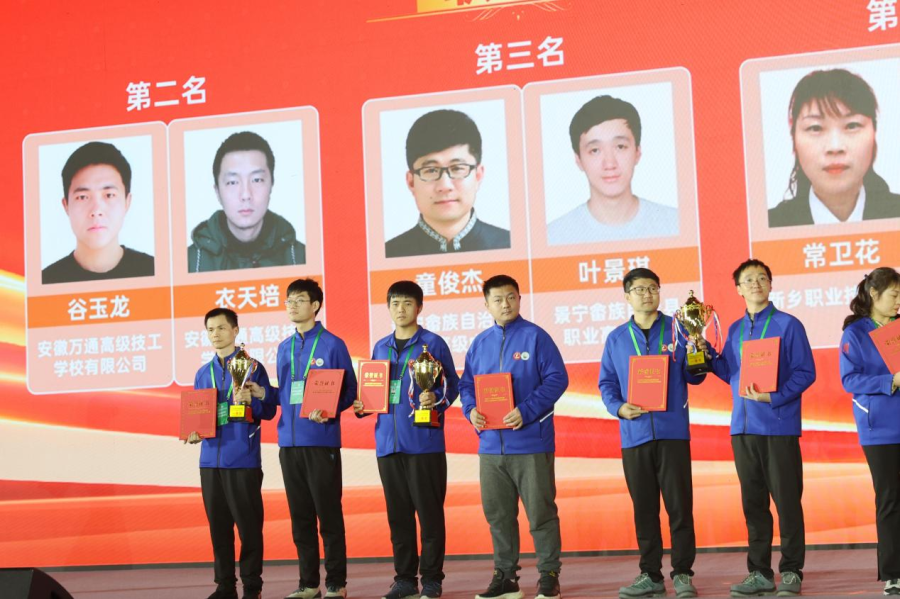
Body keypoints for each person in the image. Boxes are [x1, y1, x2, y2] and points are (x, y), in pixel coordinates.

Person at [708, 259, 816, 598]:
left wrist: (775, 397)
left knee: (787, 502)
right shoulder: (735, 329)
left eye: (761, 278)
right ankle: (759, 572)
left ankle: (792, 570)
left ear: (770, 284)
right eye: (748, 280)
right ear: (738, 289)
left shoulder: (788, 324)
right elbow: (729, 371)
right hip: (742, 429)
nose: (755, 283)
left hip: (778, 426)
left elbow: (806, 372)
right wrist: (703, 352)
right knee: (753, 504)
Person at [459, 274, 568, 599]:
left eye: (510, 297)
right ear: (486, 304)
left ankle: (549, 575)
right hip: (491, 447)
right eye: (497, 299)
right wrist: (471, 411)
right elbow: (467, 385)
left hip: (531, 442)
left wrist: (527, 410)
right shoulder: (480, 343)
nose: (505, 304)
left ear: (519, 299)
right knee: (498, 516)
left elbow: (557, 379)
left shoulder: (536, 337)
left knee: (541, 513)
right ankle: (506, 577)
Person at [598, 268, 702, 599]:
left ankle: (683, 573)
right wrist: (618, 407)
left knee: (680, 508)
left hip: (673, 432)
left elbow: (695, 376)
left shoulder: (680, 328)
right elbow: (606, 383)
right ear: (627, 296)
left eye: (653, 288)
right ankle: (651, 574)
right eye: (640, 289)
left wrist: (697, 351)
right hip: (635, 434)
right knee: (644, 510)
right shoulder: (616, 338)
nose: (647, 294)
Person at [353, 280, 460, 599]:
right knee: (398, 516)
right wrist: (362, 405)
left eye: (408, 303)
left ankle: (432, 579)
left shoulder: (433, 343)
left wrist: (436, 399)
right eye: (395, 303)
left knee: (429, 514)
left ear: (419, 307)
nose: (401, 309)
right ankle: (404, 579)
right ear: (388, 308)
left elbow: (453, 385)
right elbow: (374, 392)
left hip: (424, 441)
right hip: (388, 443)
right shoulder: (380, 347)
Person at [185, 307, 278, 599]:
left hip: (242, 459)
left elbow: (269, 410)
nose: (216, 334)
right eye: (210, 329)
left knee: (249, 528)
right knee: (219, 528)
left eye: (221, 328)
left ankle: (252, 586)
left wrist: (252, 400)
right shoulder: (203, 373)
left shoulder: (251, 367)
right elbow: (198, 414)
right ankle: (225, 586)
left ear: (235, 331)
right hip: (210, 461)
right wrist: (193, 431)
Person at [276, 278, 357, 599]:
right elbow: (285, 393)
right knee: (301, 518)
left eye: (299, 300)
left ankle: (336, 582)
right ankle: (308, 584)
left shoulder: (333, 344)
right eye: (289, 301)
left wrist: (330, 409)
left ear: (315, 305)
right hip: (289, 444)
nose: (292, 306)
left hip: (322, 442)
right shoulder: (283, 347)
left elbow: (350, 390)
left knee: (329, 514)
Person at [768, 69, 900, 227]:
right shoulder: (769, 226)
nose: (835, 147)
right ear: (793, 137)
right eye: (815, 128)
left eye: (852, 126)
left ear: (874, 132)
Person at [839, 267, 900, 596]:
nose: (898, 301)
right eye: (894, 295)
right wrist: (890, 380)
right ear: (874, 295)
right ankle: (894, 573)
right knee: (890, 499)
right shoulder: (855, 333)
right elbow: (850, 379)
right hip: (880, 428)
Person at [546, 95, 679, 245]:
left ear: (637, 152)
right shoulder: (554, 237)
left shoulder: (675, 225)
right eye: (595, 150)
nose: (609, 163)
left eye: (620, 147)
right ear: (579, 160)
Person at [385, 109, 510, 257]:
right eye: (431, 170)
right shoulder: (387, 255)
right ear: (411, 182)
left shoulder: (510, 246)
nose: (445, 186)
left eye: (457, 168)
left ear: (478, 176)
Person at [188, 131, 306, 272]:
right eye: (232, 182)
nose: (245, 195)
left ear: (271, 185)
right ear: (217, 192)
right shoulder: (190, 263)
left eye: (257, 180)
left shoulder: (301, 258)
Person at [42, 141, 154, 284]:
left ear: (127, 202)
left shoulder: (155, 272)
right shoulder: (44, 282)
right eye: (82, 197)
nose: (96, 211)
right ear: (66, 206)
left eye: (109, 195)